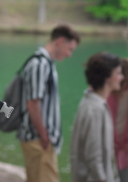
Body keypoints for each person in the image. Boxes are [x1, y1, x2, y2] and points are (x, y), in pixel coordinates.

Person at [18, 24, 81, 182]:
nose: (69, 54)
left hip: (40, 139)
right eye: (70, 49)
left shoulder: (46, 63)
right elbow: (33, 103)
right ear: (60, 42)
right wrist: (44, 136)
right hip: (38, 140)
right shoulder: (40, 65)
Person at [70, 51, 124, 182]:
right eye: (118, 73)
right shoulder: (95, 109)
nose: (122, 77)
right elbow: (94, 157)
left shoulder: (92, 102)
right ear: (107, 77)